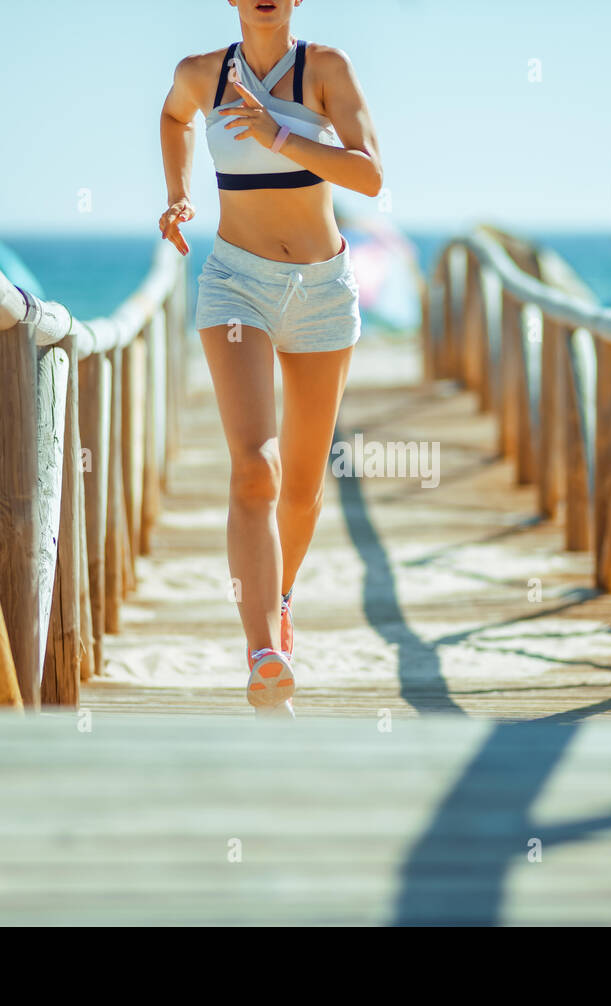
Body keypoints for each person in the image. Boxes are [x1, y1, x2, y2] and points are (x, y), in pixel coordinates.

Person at [158, 0, 383, 717]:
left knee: (305, 488)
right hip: (235, 283)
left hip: (321, 290)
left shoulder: (326, 69)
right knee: (256, 466)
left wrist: (280, 135)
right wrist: (177, 195)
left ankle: (279, 599)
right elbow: (173, 118)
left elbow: (369, 177)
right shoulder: (200, 74)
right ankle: (263, 654)